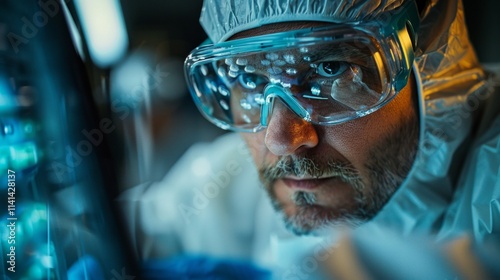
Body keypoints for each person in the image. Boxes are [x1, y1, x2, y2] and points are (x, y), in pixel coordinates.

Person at [120, 0, 500, 278]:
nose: (281, 140)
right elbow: (109, 229)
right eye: (249, 81)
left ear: (427, 66)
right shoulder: (226, 185)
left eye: (331, 70)